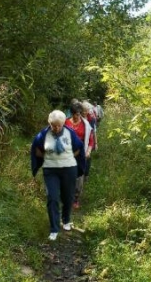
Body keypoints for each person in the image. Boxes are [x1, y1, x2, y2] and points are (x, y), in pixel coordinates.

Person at [30, 110, 85, 241]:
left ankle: (66, 220)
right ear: (49, 123)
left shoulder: (69, 132)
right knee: (52, 197)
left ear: (63, 123)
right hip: (50, 170)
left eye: (59, 125)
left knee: (68, 197)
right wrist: (48, 156)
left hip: (69, 169)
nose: (57, 128)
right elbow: (36, 149)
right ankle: (54, 229)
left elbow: (79, 147)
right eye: (54, 125)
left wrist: (69, 157)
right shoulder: (43, 134)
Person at [65, 102, 94, 209]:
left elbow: (91, 141)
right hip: (67, 153)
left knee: (79, 177)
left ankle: (75, 198)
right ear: (71, 113)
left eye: (78, 114)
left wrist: (88, 151)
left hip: (81, 154)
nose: (77, 116)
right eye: (75, 114)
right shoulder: (66, 122)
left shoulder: (86, 125)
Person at [81, 101, 98, 183]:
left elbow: (93, 132)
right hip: (80, 141)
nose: (85, 112)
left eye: (86, 110)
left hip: (88, 142)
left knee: (88, 158)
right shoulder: (78, 117)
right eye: (83, 110)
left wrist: (95, 143)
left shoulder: (91, 119)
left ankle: (86, 175)